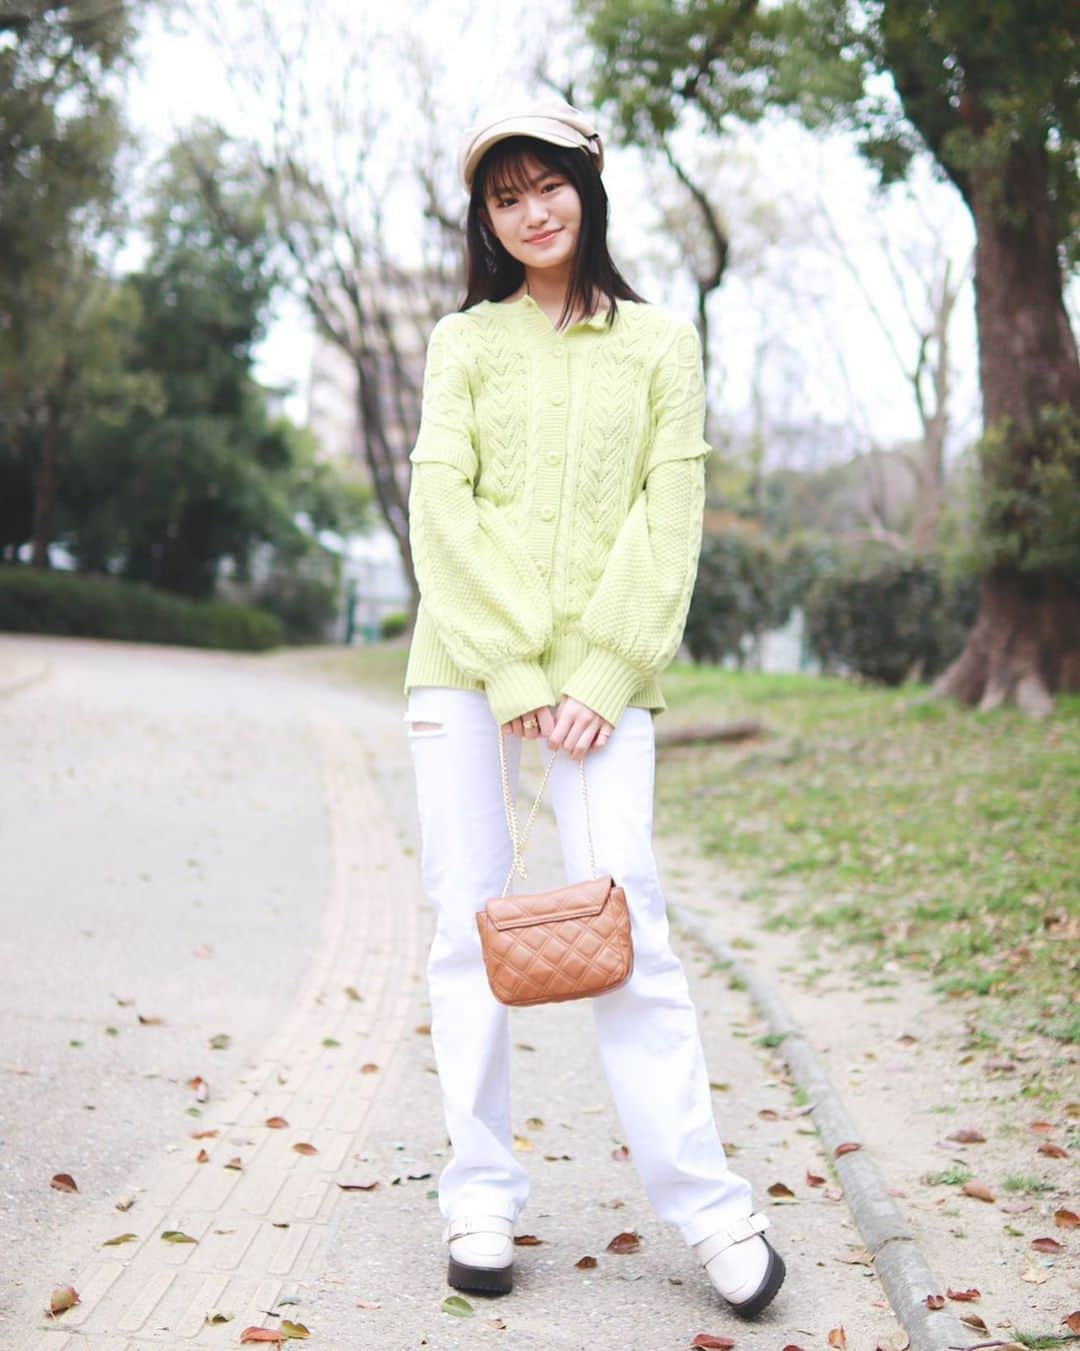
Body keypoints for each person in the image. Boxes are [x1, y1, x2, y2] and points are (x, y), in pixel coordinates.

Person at [401, 94, 785, 1320]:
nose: (531, 212)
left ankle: (710, 1211)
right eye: (504, 196)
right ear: (485, 217)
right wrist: (513, 671)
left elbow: (666, 522)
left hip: (602, 692)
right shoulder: (463, 343)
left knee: (635, 936)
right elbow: (440, 513)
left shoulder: (662, 343)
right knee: (467, 927)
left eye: (546, 184)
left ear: (587, 185)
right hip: (464, 674)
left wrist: (601, 676)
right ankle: (480, 1194)